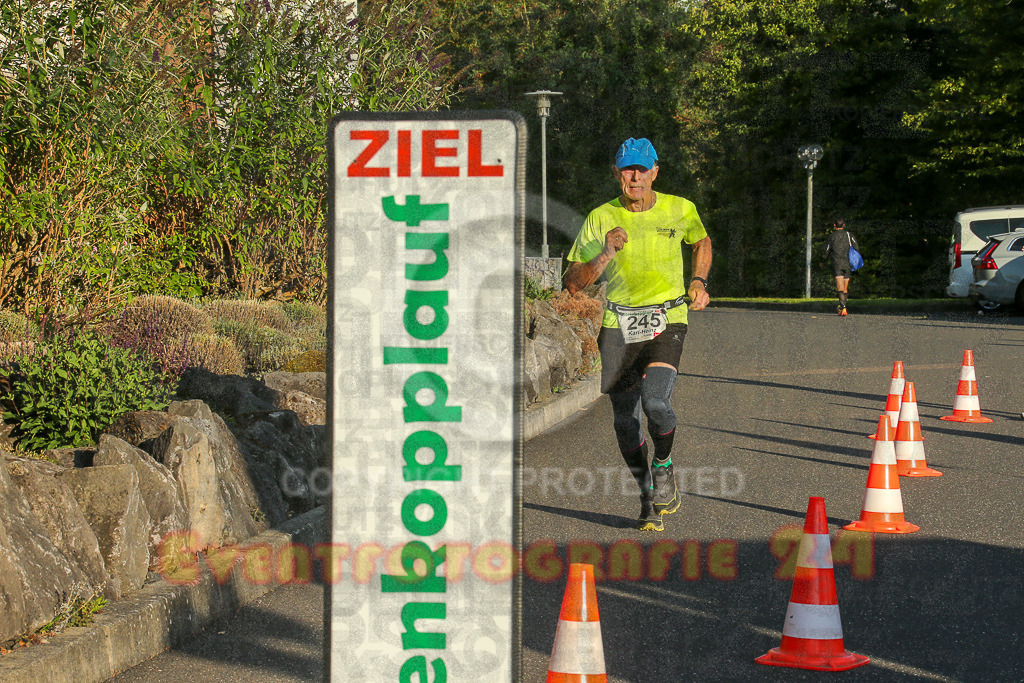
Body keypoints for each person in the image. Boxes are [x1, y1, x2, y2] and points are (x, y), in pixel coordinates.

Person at [563, 137, 712, 532]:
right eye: (627, 168)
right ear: (616, 173)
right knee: (625, 423)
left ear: (655, 172)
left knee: (656, 402)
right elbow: (573, 283)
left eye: (642, 169)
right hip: (618, 326)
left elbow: (702, 240)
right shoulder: (600, 218)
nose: (635, 176)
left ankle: (663, 466)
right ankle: (647, 494)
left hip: (667, 318)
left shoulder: (681, 209)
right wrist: (606, 252)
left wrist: (698, 280)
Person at [823, 218, 859, 316]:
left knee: (840, 287)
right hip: (848, 263)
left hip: (837, 263)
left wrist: (823, 260)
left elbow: (826, 251)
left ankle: (843, 308)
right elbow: (856, 247)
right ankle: (843, 307)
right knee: (845, 288)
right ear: (844, 225)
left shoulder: (831, 237)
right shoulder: (849, 235)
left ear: (834, 225)